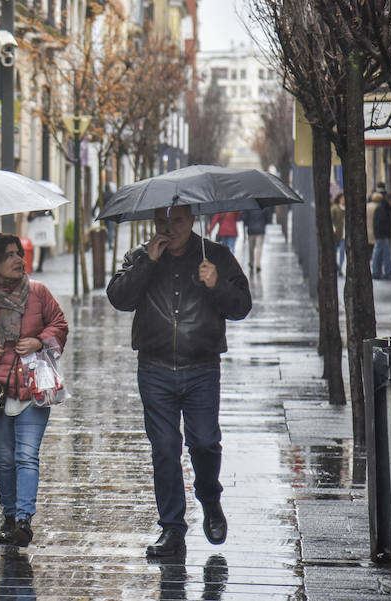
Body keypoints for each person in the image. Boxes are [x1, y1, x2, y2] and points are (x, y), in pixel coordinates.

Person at [106, 205, 252, 557]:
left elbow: (241, 306)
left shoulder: (216, 255)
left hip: (201, 367)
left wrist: (216, 284)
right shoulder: (141, 255)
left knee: (204, 442)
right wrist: (147, 263)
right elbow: (119, 298)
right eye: (161, 221)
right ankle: (172, 529)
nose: (169, 228)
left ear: (192, 221)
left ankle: (209, 498)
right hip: (155, 369)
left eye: (177, 221)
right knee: (165, 449)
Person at [0, 232, 68, 547]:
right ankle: (9, 516)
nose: (18, 259)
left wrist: (39, 340)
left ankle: (24, 520)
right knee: (4, 458)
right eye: (9, 255)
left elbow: (59, 324)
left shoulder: (38, 292)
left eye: (18, 253)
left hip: (32, 387)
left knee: (27, 455)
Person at [241, 206, 273, 272]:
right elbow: (268, 217)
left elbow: (244, 217)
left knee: (251, 248)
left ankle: (251, 262)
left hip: (251, 230)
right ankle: (258, 264)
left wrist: (247, 224)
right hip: (260, 229)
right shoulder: (264, 206)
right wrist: (264, 223)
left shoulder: (248, 205)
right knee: (259, 248)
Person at [372, 192, 391, 279]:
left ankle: (376, 272)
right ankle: (387, 273)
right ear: (390, 201)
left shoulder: (382, 208)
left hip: (380, 235)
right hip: (382, 236)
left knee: (378, 254)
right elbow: (380, 223)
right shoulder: (382, 208)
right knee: (386, 255)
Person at [331, 193, 346, 276]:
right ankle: (335, 266)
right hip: (336, 234)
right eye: (342, 198)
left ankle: (340, 267)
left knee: (342, 251)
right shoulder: (335, 208)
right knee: (335, 251)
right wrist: (333, 227)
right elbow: (331, 219)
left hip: (344, 234)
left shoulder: (347, 209)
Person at [366, 192, 381, 264]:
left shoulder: (367, 206)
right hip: (376, 230)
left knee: (368, 249)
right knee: (376, 250)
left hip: (367, 230)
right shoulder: (379, 207)